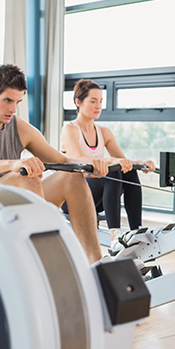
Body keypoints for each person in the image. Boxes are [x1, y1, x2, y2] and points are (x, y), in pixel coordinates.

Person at [0, 64, 110, 264]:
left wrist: (92, 164)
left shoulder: (19, 127)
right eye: (7, 100)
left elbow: (61, 160)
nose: (12, 109)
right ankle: (47, 262)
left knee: (72, 176)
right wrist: (13, 164)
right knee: (26, 177)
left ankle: (96, 263)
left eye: (17, 101)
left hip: (11, 200)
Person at [61, 79, 156, 247]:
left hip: (95, 199)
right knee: (112, 170)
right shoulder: (70, 129)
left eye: (100, 101)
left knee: (129, 171)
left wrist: (140, 163)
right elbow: (77, 159)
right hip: (72, 197)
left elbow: (121, 161)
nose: (98, 106)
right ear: (78, 102)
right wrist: (109, 161)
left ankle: (136, 230)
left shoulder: (104, 132)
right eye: (93, 101)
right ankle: (115, 234)